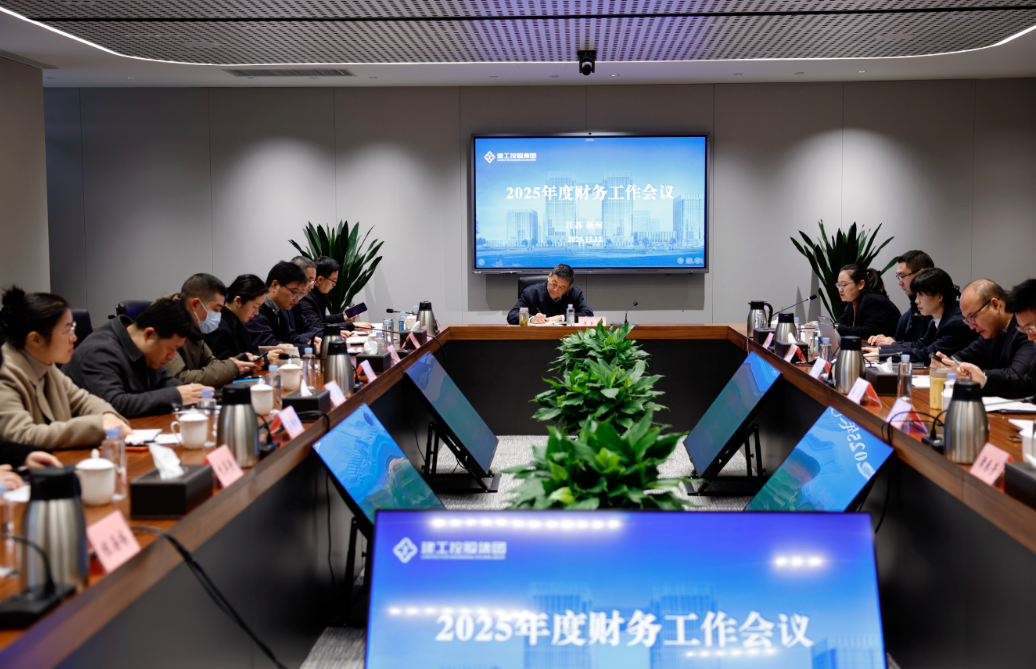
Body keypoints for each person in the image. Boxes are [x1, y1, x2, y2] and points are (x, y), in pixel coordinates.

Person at [0, 287, 131, 449]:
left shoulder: (44, 364)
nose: (74, 338)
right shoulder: (5, 373)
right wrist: (99, 426)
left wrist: (108, 415)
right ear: (35, 339)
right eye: (67, 330)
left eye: (73, 328)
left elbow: (82, 400)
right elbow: (23, 436)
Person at [65, 298, 208, 418]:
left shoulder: (144, 349)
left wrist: (193, 392)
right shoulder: (98, 352)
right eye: (171, 348)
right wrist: (177, 396)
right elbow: (113, 405)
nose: (171, 356)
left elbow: (164, 381)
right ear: (149, 334)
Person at [932, 279, 1036, 398]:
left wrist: (979, 375)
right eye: (967, 320)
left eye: (972, 317)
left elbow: (1020, 377)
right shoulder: (991, 331)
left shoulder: (1024, 331)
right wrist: (949, 364)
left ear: (995, 305)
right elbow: (963, 356)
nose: (971, 326)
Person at [866, 268, 976, 363]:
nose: (916, 301)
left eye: (920, 295)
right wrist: (882, 350)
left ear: (939, 297)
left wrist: (882, 354)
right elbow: (919, 345)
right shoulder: (937, 319)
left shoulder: (957, 323)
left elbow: (929, 354)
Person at [164, 274, 255, 387]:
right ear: (195, 304)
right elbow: (178, 379)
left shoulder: (196, 328)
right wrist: (232, 368)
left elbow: (211, 363)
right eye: (215, 310)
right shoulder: (165, 326)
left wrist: (240, 361)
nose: (218, 316)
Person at [245, 261, 321, 349]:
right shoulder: (256, 310)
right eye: (294, 292)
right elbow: (268, 345)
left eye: (300, 294)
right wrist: (310, 348)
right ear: (275, 285)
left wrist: (308, 342)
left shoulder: (280, 309)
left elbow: (290, 336)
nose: (297, 299)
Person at [869, 250, 935, 347]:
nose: (899, 283)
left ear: (921, 274)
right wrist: (885, 340)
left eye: (902, 276)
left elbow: (927, 348)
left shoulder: (936, 312)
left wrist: (893, 343)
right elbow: (906, 342)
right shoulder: (907, 315)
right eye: (898, 277)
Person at [205, 274, 272, 360]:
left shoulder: (238, 322)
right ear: (238, 301)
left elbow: (249, 354)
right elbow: (224, 363)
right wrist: (266, 359)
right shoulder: (217, 326)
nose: (256, 312)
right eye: (255, 306)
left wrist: (268, 354)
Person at [506, 263, 593, 325]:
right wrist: (531, 319)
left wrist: (561, 317)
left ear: (568, 287)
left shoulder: (575, 293)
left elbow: (589, 315)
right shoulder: (531, 292)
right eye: (554, 284)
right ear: (549, 276)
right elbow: (512, 315)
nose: (555, 290)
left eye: (562, 287)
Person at [834, 264, 901, 340]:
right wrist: (836, 326)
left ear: (860, 284)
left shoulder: (872, 301)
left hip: (890, 346)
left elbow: (869, 332)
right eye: (838, 285)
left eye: (843, 284)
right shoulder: (852, 302)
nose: (840, 289)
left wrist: (838, 328)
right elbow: (841, 321)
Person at [297, 256, 362, 333]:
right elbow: (315, 327)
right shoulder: (305, 298)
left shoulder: (318, 294)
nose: (334, 284)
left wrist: (342, 317)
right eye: (333, 281)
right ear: (320, 279)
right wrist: (351, 326)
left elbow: (320, 319)